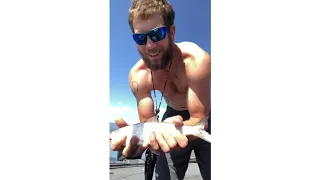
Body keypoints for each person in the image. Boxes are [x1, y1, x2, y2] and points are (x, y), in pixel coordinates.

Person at [110, 0, 211, 179]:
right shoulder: (138, 76)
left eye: (157, 34)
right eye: (140, 38)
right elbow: (147, 124)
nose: (149, 46)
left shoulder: (196, 60)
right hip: (171, 115)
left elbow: (198, 118)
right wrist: (140, 145)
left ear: (171, 32)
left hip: (205, 112)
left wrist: (167, 128)